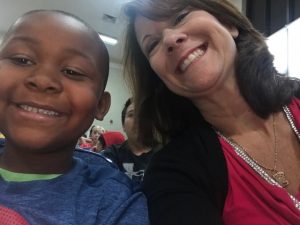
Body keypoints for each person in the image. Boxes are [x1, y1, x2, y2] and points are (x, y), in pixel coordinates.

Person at [123, 0, 300, 224]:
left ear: (228, 24)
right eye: (152, 45)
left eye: (180, 17)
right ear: (160, 79)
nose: (169, 39)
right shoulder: (173, 173)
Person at [0, 10, 149, 225]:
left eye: (72, 71)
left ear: (100, 105)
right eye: (22, 59)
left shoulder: (115, 204)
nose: (42, 80)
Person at [101, 98, 155, 184]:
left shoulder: (163, 154)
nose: (138, 119)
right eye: (131, 114)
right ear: (123, 126)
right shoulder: (112, 154)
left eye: (143, 114)